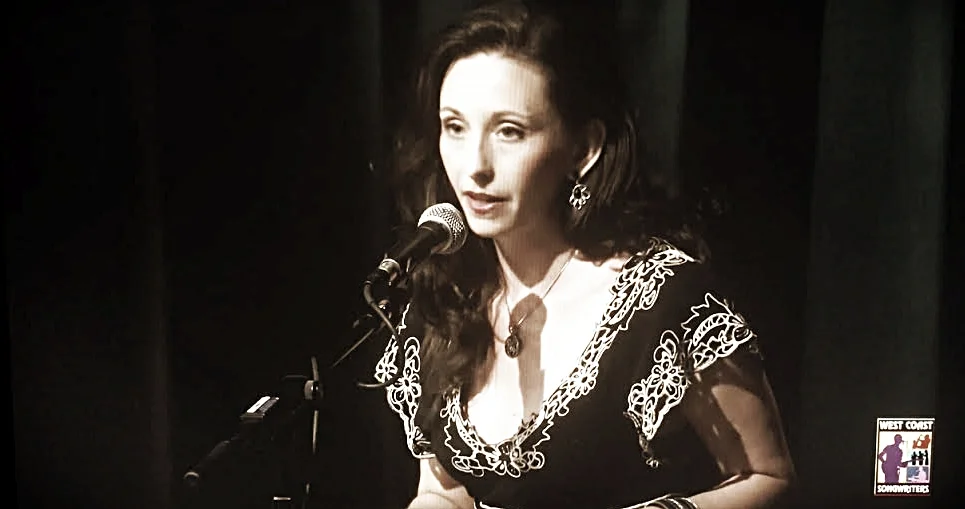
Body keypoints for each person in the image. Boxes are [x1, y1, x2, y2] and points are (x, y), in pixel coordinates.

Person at [371, 1, 795, 508]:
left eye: (509, 131)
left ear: (583, 149)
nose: (475, 165)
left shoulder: (661, 301)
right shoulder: (442, 294)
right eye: (455, 127)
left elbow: (768, 477)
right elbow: (444, 490)